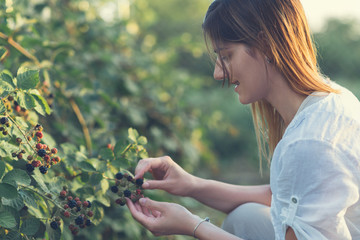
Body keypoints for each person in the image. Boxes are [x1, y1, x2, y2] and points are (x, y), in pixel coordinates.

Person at [126, 0, 360, 239]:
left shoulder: (310, 141)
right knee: (245, 217)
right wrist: (191, 185)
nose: (218, 73)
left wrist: (193, 226)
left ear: (266, 45)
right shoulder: (331, 101)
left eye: (226, 55)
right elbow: (281, 198)